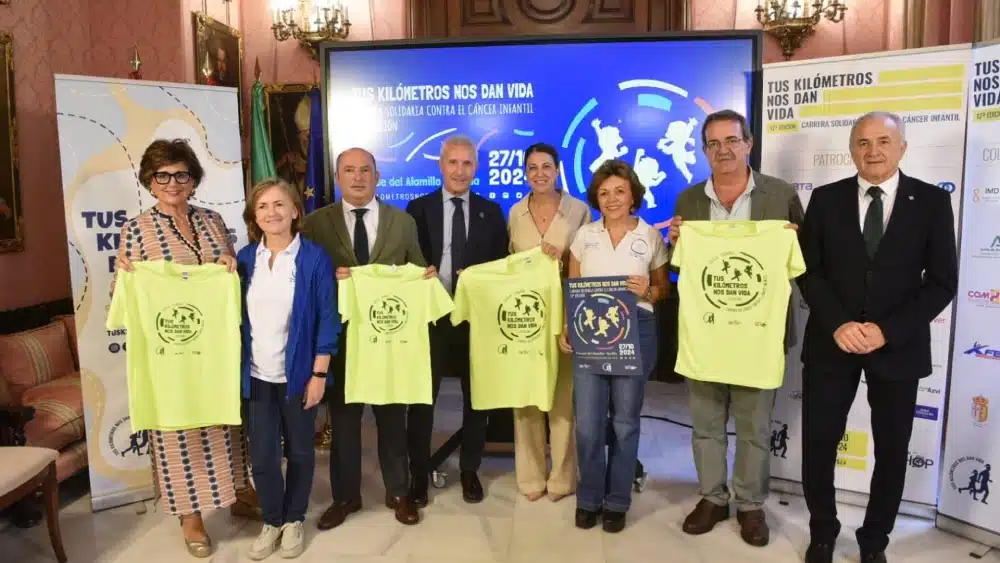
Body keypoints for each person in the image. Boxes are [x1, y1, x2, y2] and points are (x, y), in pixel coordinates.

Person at [798, 111, 958, 563]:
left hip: (899, 348)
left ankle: (874, 542)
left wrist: (887, 330)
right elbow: (809, 271)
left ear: (902, 147)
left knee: (891, 451)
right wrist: (840, 324)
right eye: (863, 143)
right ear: (852, 151)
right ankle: (823, 533)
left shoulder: (930, 202)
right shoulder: (826, 200)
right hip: (833, 342)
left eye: (883, 142)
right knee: (819, 444)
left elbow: (942, 282)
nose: (873, 151)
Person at [667, 110, 804, 547]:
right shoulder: (688, 201)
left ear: (749, 144)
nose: (723, 150)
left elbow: (804, 256)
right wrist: (676, 241)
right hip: (706, 335)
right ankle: (712, 497)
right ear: (704, 150)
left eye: (731, 140)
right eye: (713, 143)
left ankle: (749, 504)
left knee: (753, 427)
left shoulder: (780, 195)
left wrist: (793, 237)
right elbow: (682, 268)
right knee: (705, 425)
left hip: (758, 334)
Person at [113, 139, 249, 558]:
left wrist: (230, 266)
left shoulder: (213, 220)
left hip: (214, 348)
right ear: (150, 182)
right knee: (178, 427)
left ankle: (238, 494)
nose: (173, 183)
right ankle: (190, 515)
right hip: (170, 351)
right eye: (163, 175)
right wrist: (128, 278)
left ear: (194, 180)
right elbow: (127, 297)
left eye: (182, 174)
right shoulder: (136, 229)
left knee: (225, 421)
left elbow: (231, 273)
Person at [304, 147, 435, 529]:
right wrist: (332, 281)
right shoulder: (316, 223)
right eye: (349, 170)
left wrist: (423, 276)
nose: (358, 177)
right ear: (338, 177)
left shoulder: (402, 221)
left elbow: (416, 264)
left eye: (365, 170)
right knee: (343, 424)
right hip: (340, 343)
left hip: (389, 342)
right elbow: (306, 280)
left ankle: (400, 491)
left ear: (378, 177)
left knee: (393, 421)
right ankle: (345, 497)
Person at [561, 159, 669, 533]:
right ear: (596, 197)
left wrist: (651, 290)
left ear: (633, 195)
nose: (612, 199)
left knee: (625, 423)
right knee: (589, 424)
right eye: (604, 193)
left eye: (619, 191)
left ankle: (618, 500)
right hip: (591, 333)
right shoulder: (584, 236)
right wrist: (565, 328)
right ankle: (589, 498)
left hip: (636, 330)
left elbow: (663, 289)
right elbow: (572, 291)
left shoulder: (650, 236)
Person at [237, 179, 338, 560]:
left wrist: (319, 374)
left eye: (280, 205)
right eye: (263, 206)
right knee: (262, 457)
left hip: (298, 376)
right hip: (257, 377)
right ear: (254, 215)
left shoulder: (313, 259)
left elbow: (327, 319)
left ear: (296, 211)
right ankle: (272, 520)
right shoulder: (245, 259)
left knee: (299, 452)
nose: (272, 213)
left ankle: (294, 519)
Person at [406, 134, 510, 505]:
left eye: (468, 164)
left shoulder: (491, 212)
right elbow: (407, 262)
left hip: (475, 320)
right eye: (453, 163)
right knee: (422, 400)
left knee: (476, 399)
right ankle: (417, 475)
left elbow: (500, 266)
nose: (460, 170)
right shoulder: (417, 209)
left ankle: (469, 471)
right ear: (441, 165)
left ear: (476, 168)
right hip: (432, 319)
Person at [506, 142, 591, 502]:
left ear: (557, 171)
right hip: (524, 316)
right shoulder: (515, 212)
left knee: (563, 398)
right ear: (525, 173)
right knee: (524, 397)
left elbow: (589, 259)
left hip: (566, 313)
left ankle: (561, 478)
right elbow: (510, 263)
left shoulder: (579, 210)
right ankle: (529, 477)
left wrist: (565, 257)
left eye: (546, 167)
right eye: (532, 168)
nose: (539, 173)